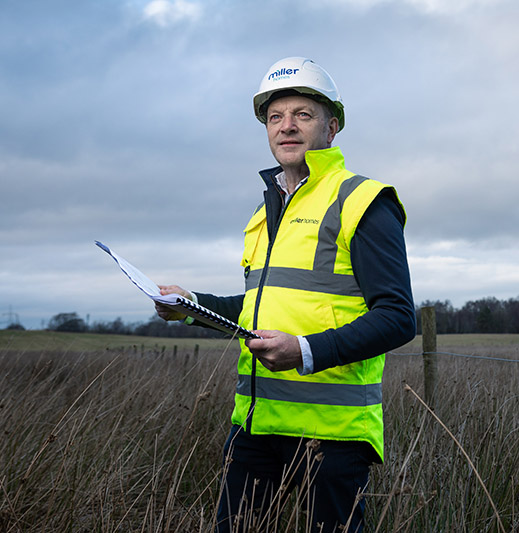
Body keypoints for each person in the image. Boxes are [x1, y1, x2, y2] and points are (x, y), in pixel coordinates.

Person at [156, 57, 416, 532]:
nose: (287, 126)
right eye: (275, 117)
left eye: (303, 114)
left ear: (332, 127)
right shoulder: (265, 211)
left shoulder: (362, 200)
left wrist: (305, 350)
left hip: (332, 434)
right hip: (255, 424)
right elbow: (256, 307)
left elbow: (399, 317)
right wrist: (191, 305)